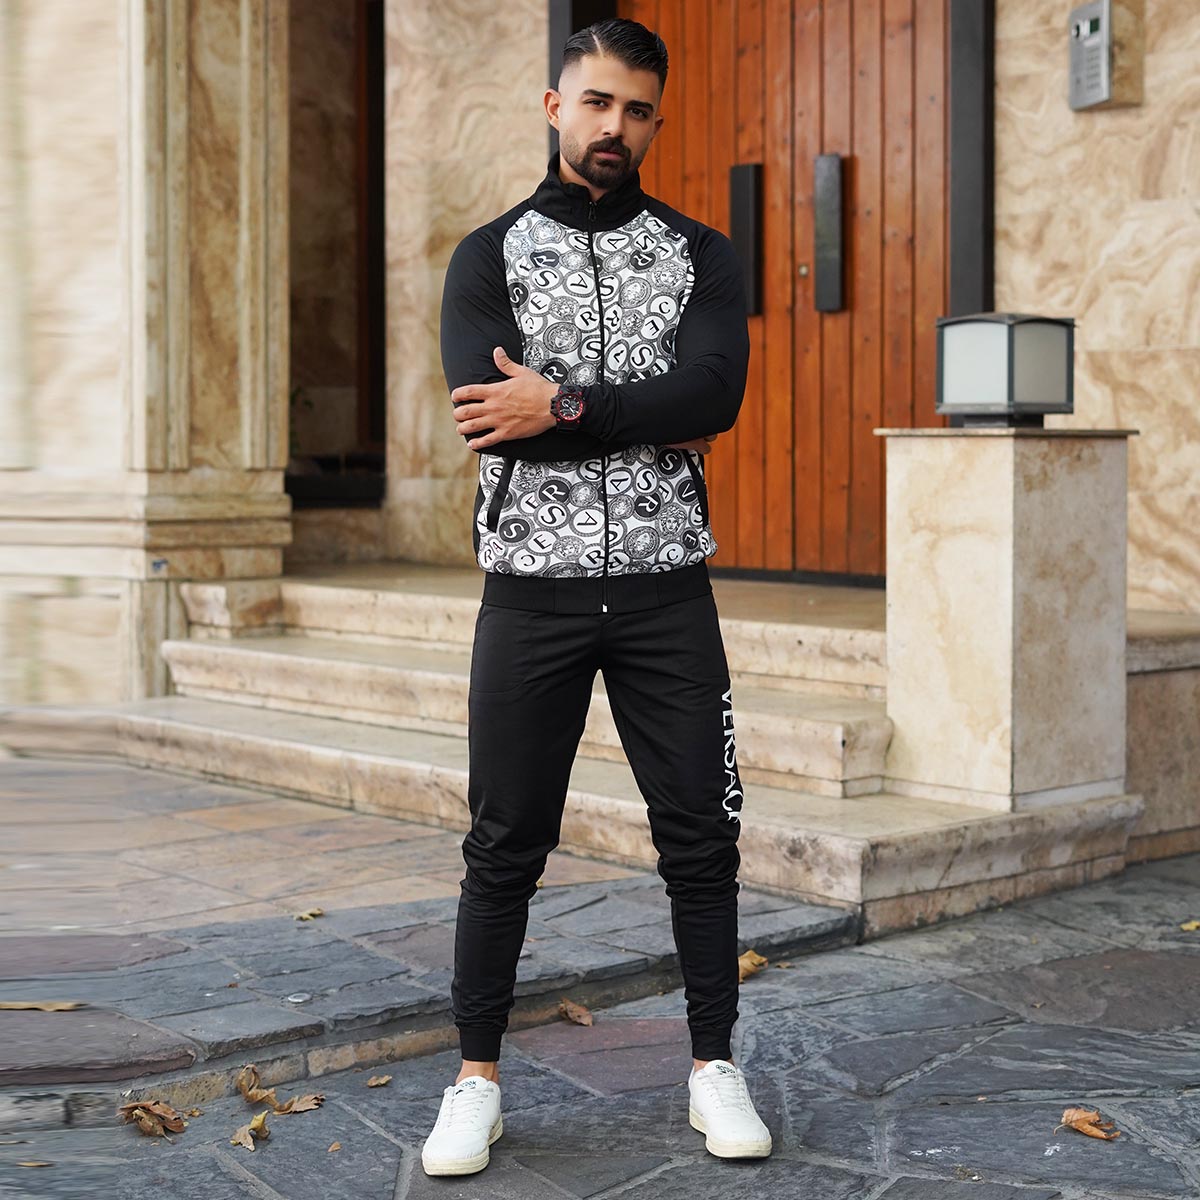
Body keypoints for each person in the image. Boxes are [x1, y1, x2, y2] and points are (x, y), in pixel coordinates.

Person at [421, 17, 771, 1177]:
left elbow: (713, 396)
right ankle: (475, 1081)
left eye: (637, 109)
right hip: (532, 597)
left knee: (702, 838)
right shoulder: (487, 257)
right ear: (553, 105)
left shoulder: (701, 254)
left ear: (655, 121)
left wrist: (562, 405)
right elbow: (487, 414)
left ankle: (713, 1065)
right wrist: (636, 408)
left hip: (669, 593)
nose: (615, 125)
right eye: (596, 101)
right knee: (503, 842)